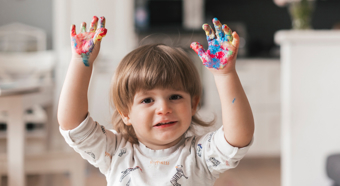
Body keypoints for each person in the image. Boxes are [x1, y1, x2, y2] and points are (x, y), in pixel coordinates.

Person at [58, 16, 254, 186]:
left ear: (193, 105)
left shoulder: (200, 155)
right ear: (125, 113)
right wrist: (80, 62)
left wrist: (225, 75)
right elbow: (73, 123)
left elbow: (238, 136)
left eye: (175, 97)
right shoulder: (115, 152)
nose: (164, 108)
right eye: (147, 100)